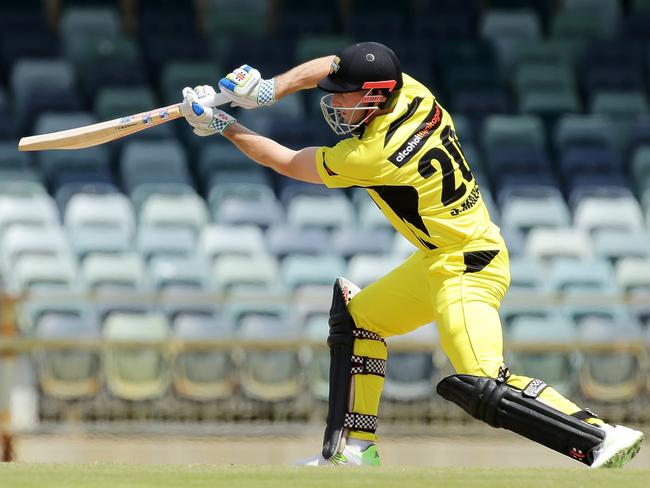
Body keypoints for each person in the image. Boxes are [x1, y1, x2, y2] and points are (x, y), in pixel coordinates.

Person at [179, 42, 644, 468]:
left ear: (377, 97)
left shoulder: (371, 154)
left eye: (346, 97)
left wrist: (225, 126)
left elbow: (286, 162)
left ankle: (601, 435)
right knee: (359, 319)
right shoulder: (414, 93)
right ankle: (355, 453)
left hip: (467, 267)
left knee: (485, 384)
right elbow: (333, 65)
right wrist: (268, 89)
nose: (336, 103)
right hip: (439, 259)